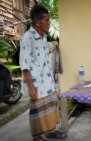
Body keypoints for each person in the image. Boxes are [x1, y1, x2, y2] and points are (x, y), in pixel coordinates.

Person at [19, 6, 66, 141]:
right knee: (38, 114)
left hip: (47, 82)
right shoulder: (28, 38)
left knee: (49, 109)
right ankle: (37, 137)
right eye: (47, 20)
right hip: (36, 84)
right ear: (37, 22)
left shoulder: (43, 37)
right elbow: (25, 65)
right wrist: (31, 88)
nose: (49, 22)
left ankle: (49, 132)